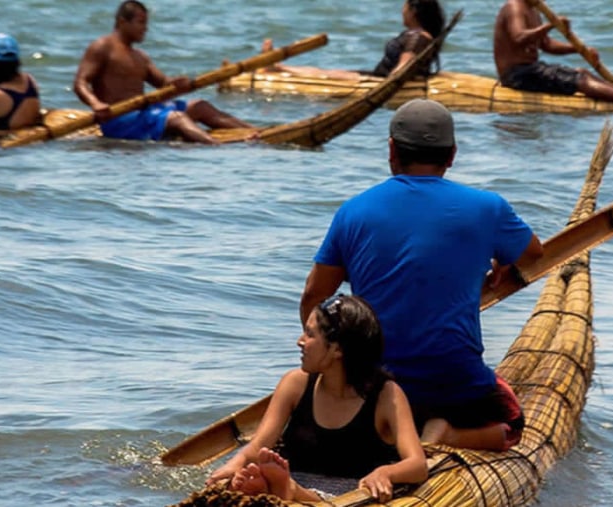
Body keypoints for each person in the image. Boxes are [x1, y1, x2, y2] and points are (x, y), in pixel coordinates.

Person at [300, 99, 545, 452]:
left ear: (391, 150)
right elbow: (533, 253)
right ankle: (450, 435)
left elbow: (313, 296)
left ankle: (389, 432)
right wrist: (500, 258)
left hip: (375, 387)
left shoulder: (354, 211)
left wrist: (324, 364)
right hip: (455, 385)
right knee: (513, 424)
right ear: (452, 155)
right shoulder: (488, 208)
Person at [206, 294, 427, 502]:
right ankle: (280, 488)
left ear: (337, 349)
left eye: (310, 334)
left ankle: (288, 491)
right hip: (295, 479)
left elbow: (417, 465)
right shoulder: (295, 384)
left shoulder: (385, 396)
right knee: (258, 477)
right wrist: (232, 467)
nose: (300, 341)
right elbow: (258, 446)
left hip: (348, 497)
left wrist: (385, 472)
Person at [73, 0, 254, 144]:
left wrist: (177, 84)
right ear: (122, 22)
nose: (145, 28)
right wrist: (96, 104)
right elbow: (80, 83)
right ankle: (214, 145)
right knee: (176, 118)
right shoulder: (102, 47)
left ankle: (255, 132)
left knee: (200, 106)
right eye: (141, 22)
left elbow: (164, 85)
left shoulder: (140, 56)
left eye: (146, 23)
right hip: (120, 122)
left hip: (144, 114)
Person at [493, 0, 613, 111]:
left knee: (583, 72)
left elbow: (546, 44)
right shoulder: (515, 6)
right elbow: (518, 38)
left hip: (530, 70)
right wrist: (551, 25)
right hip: (517, 75)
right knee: (580, 80)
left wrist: (578, 49)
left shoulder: (534, 10)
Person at [261, 0, 446, 81]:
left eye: (404, 7)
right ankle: (278, 66)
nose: (401, 11)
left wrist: (382, 87)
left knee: (325, 75)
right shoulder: (422, 36)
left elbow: (403, 67)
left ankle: (276, 67)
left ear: (413, 12)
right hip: (376, 76)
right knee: (327, 71)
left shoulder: (417, 37)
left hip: (378, 81)